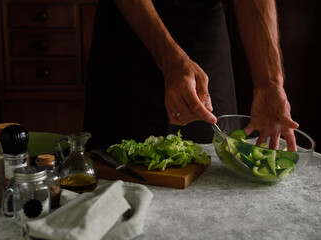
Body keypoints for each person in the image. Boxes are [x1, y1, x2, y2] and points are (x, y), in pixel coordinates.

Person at [83, 0, 299, 152]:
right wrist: (170, 60)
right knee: (117, 165)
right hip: (128, 36)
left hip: (205, 31)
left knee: (212, 160)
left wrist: (269, 82)